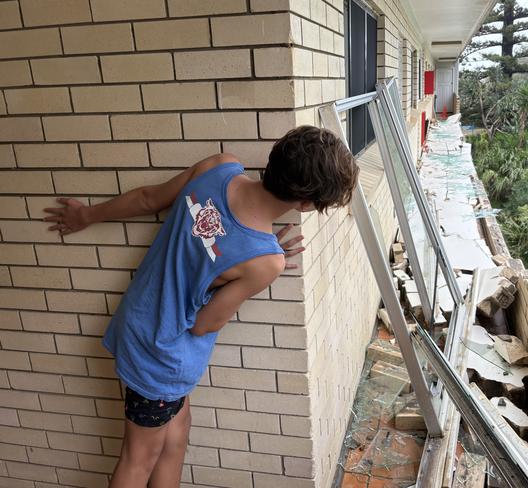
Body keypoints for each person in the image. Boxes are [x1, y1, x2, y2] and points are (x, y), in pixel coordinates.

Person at [44, 125, 359, 488]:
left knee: (175, 436)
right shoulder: (265, 262)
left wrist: (88, 216)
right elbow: (204, 325)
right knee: (137, 461)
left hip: (138, 322)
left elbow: (148, 198)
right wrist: (257, 263)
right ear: (305, 203)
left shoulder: (220, 167)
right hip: (164, 354)